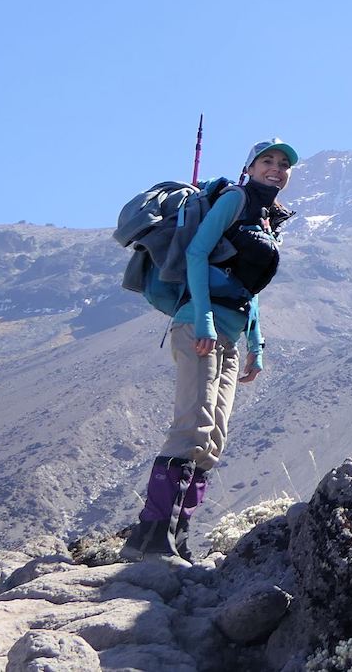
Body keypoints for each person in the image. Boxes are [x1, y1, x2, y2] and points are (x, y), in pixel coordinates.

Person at [120, 138, 297, 565]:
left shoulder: (267, 218)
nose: (276, 168)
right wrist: (203, 320)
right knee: (192, 429)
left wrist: (256, 344)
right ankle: (149, 539)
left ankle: (176, 538)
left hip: (231, 336)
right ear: (250, 167)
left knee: (212, 439)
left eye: (284, 163)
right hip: (200, 326)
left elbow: (246, 286)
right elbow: (198, 253)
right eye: (267, 161)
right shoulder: (235, 199)